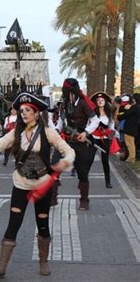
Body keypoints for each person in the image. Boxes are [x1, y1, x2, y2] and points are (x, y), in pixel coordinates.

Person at [0, 92, 75, 278]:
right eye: (21, 111)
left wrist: (65, 162)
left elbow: (69, 151)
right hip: (20, 183)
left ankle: (43, 262)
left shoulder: (49, 133)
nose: (24, 113)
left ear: (36, 113)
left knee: (42, 223)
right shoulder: (15, 133)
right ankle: (1, 264)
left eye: (28, 110)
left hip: (43, 184)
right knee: (13, 223)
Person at [61, 78, 99, 211]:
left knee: (83, 173)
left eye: (71, 93)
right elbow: (62, 122)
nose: (69, 96)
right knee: (53, 166)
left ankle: (84, 200)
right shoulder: (64, 103)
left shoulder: (83, 103)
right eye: (67, 93)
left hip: (81, 141)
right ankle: (52, 197)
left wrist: (86, 133)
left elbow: (95, 120)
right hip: (66, 141)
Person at [90, 92, 116, 188]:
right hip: (94, 138)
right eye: (98, 100)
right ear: (96, 102)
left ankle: (107, 182)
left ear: (105, 102)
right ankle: (84, 180)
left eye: (102, 100)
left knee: (105, 160)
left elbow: (112, 125)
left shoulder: (109, 113)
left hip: (105, 139)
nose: (100, 102)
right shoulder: (92, 113)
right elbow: (89, 125)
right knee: (89, 159)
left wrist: (111, 133)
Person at [117, 94, 140, 163]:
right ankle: (132, 157)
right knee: (131, 143)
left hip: (130, 128)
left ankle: (132, 158)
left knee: (130, 144)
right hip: (133, 128)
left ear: (134, 99)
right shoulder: (137, 107)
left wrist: (119, 116)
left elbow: (125, 115)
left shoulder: (134, 107)